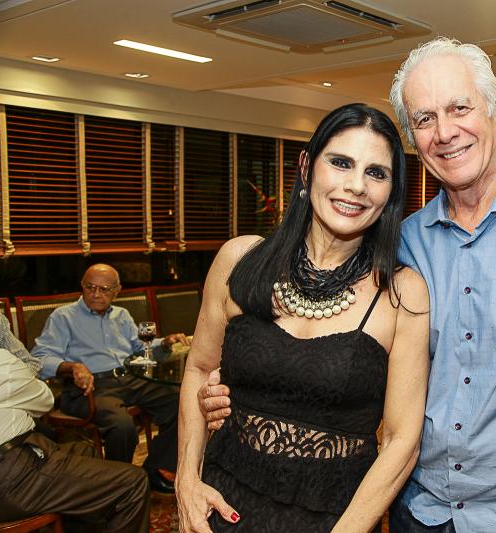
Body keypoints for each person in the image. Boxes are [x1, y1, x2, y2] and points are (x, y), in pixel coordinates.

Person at [201, 38, 496, 533]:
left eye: (460, 108)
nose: (445, 132)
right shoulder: (402, 245)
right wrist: (230, 390)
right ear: (413, 137)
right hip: (422, 513)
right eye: (425, 118)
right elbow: (343, 359)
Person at [176, 103, 430, 532]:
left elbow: (400, 441)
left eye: (376, 173)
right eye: (341, 162)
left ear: (391, 192)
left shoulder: (402, 293)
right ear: (308, 167)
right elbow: (199, 369)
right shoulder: (239, 259)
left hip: (334, 519)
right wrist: (186, 481)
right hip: (221, 505)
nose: (356, 186)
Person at [32, 263, 190, 493]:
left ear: (117, 291)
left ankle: (154, 469)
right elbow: (39, 359)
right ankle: (116, 487)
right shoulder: (63, 317)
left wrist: (164, 343)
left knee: (182, 401)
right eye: (90, 287)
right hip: (90, 386)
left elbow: (140, 348)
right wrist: (72, 366)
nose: (96, 294)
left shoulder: (121, 315)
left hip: (129, 378)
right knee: (122, 426)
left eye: (104, 289)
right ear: (82, 286)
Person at [0, 344, 150, 531]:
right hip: (11, 473)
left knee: (85, 450)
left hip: (16, 454)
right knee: (134, 483)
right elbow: (44, 400)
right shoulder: (2, 362)